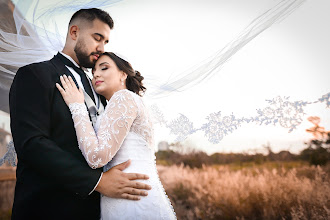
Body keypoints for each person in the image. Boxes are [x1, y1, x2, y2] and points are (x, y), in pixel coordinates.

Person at [9, 8, 150, 220]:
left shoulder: (100, 88)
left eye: (106, 42)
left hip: (98, 211)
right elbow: (31, 143)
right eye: (97, 38)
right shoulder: (35, 74)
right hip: (48, 209)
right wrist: (98, 182)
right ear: (74, 32)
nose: (101, 48)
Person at [56, 52, 177, 219]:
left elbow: (96, 157)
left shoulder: (123, 97)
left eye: (104, 68)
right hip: (130, 192)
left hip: (130, 198)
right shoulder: (125, 102)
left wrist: (77, 107)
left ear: (123, 74)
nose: (96, 74)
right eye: (93, 72)